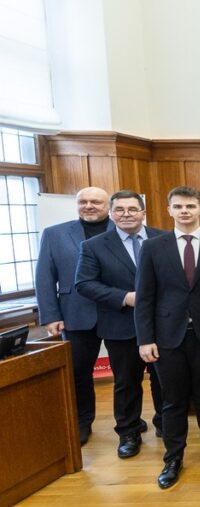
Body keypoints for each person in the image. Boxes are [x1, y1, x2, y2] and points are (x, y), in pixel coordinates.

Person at [135, 186, 200, 489]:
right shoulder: (153, 247)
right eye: (178, 206)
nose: (184, 211)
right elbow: (144, 298)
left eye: (190, 206)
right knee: (173, 400)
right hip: (167, 337)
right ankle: (173, 458)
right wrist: (145, 338)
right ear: (169, 211)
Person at [75, 190, 166, 458]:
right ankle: (128, 432)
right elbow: (84, 284)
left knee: (163, 380)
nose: (126, 214)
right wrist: (124, 297)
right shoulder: (94, 246)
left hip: (163, 324)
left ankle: (166, 424)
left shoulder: (164, 238)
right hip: (120, 324)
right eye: (120, 210)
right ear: (112, 213)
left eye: (132, 209)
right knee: (126, 382)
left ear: (143, 212)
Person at [36, 186, 113, 446]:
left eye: (96, 202)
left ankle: (130, 420)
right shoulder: (55, 234)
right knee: (79, 373)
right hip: (75, 314)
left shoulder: (126, 231)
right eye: (83, 202)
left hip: (120, 313)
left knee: (129, 372)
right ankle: (82, 421)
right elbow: (45, 278)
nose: (89, 206)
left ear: (108, 206)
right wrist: (50, 315)